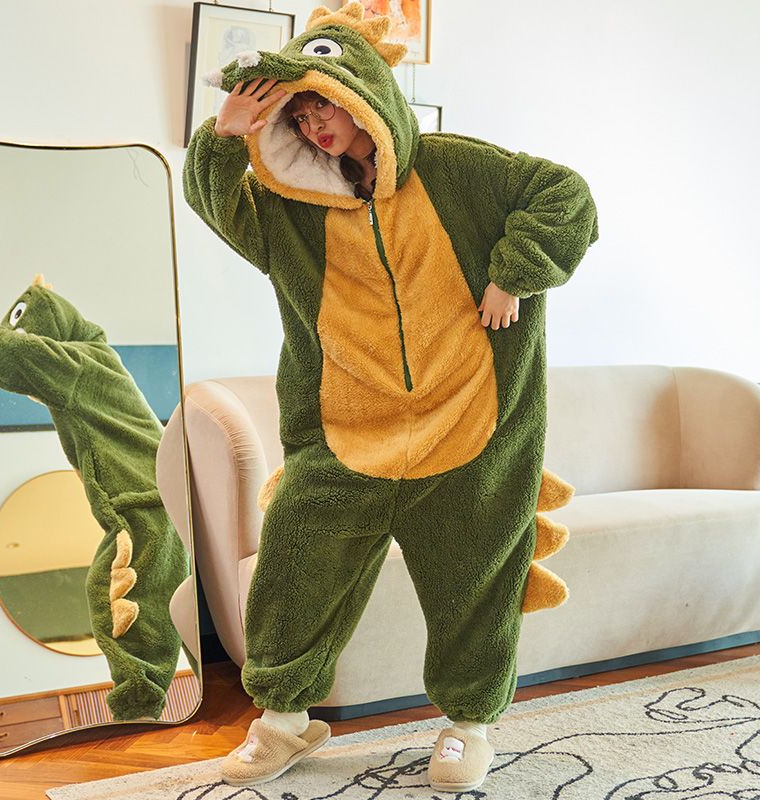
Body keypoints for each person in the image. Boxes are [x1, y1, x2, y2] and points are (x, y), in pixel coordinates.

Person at [183, 2, 598, 792]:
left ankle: (468, 728)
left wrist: (513, 274)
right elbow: (217, 203)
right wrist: (223, 134)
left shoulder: (456, 168)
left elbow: (565, 195)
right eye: (299, 115)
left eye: (324, 105)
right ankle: (283, 722)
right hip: (348, 434)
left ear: (364, 93)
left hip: (470, 425)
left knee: (475, 584)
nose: (314, 126)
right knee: (294, 567)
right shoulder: (290, 208)